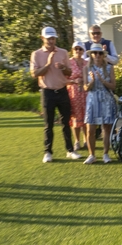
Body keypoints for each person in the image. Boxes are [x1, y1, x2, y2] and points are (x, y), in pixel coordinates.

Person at [30, 27, 80, 163]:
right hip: (47, 92)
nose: (51, 41)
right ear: (42, 39)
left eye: (53, 38)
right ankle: (48, 152)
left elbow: (69, 73)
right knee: (49, 124)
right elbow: (34, 74)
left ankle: (70, 150)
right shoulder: (37, 54)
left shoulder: (63, 52)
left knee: (66, 123)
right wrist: (48, 64)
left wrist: (63, 68)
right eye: (48, 38)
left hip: (62, 91)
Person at [82, 44, 117, 164]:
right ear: (91, 55)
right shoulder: (87, 68)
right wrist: (92, 81)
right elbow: (86, 88)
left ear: (103, 55)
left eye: (100, 53)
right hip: (92, 100)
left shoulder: (109, 68)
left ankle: (105, 154)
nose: (97, 55)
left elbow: (113, 86)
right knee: (90, 129)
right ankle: (92, 155)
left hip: (106, 99)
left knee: (106, 128)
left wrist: (102, 81)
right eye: (95, 53)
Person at [67, 41, 88, 151]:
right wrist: (74, 80)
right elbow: (64, 79)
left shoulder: (86, 63)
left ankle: (86, 140)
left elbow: (90, 77)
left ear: (83, 51)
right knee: (75, 117)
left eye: (80, 49)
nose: (78, 51)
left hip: (85, 92)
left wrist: (84, 80)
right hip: (73, 92)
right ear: (72, 50)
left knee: (86, 116)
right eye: (76, 49)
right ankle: (77, 141)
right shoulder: (69, 62)